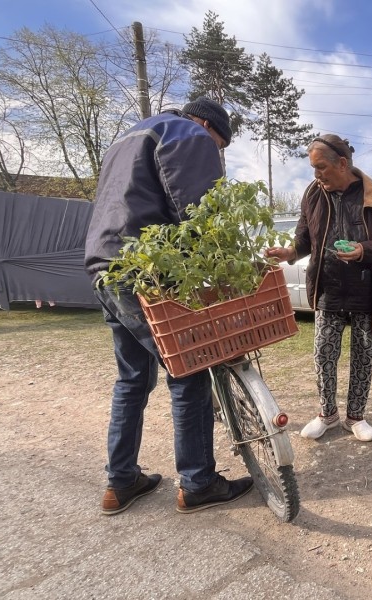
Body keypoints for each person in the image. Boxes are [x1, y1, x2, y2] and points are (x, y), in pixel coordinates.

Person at [85, 97, 253, 515]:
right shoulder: (188, 134)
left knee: (131, 379)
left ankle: (121, 482)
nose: (216, 154)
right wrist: (222, 268)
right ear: (207, 126)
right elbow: (196, 213)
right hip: (149, 270)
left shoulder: (127, 137)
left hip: (105, 266)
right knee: (188, 368)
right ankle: (197, 483)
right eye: (220, 146)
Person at [265, 134, 372, 442]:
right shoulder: (313, 194)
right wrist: (290, 253)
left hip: (366, 291)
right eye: (313, 168)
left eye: (321, 167)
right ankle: (327, 415)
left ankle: (355, 417)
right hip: (327, 288)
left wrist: (362, 251)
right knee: (323, 354)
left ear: (342, 164)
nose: (316, 174)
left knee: (363, 355)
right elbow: (305, 240)